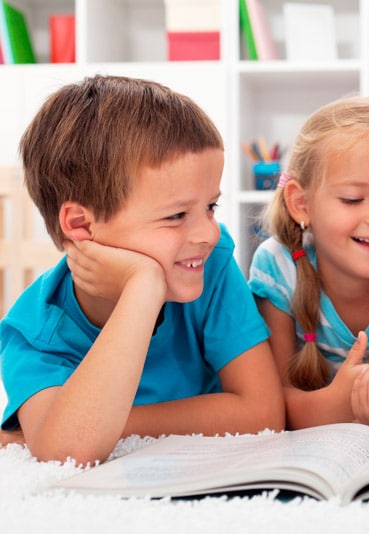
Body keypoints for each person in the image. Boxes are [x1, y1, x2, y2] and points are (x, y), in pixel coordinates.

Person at [0, 75, 285, 465]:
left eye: (211, 207)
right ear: (82, 226)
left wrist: (109, 423)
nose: (208, 232)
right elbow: (68, 451)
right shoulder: (34, 329)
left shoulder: (212, 263)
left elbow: (263, 414)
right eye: (176, 215)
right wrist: (143, 286)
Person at [249, 95, 369, 440]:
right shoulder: (277, 265)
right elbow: (274, 408)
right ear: (300, 203)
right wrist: (344, 402)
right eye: (353, 199)